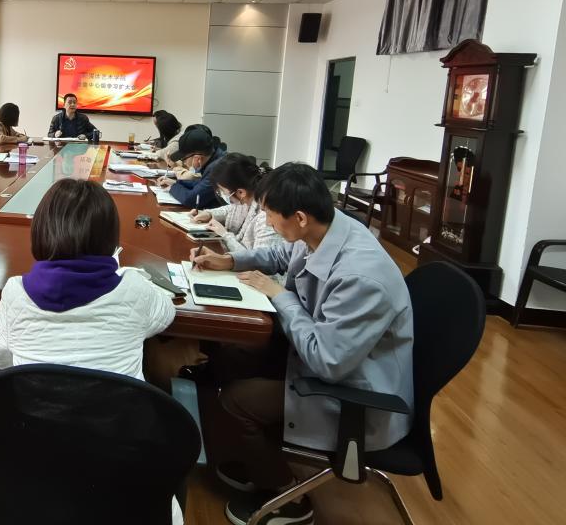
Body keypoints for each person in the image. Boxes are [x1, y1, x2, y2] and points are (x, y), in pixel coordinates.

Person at [191, 163, 413, 525]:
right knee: (233, 359)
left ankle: (287, 494)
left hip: (356, 394)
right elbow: (281, 256)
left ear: (299, 217)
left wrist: (280, 295)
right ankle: (259, 458)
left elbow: (328, 361)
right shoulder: (326, 229)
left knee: (238, 400)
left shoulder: (362, 277)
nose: (266, 221)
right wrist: (228, 260)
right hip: (324, 358)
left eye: (269, 214)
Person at [0, 178, 181, 523]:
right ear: (110, 239)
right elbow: (165, 315)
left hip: (37, 459)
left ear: (41, 232)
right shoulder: (133, 290)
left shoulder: (16, 292)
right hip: (122, 461)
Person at [190, 154, 282, 253]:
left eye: (222, 190)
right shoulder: (247, 199)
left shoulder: (266, 216)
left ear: (241, 192)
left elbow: (257, 259)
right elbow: (230, 209)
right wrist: (209, 214)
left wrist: (225, 235)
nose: (221, 194)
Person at [154, 126, 227, 210]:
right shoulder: (214, 157)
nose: (184, 162)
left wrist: (172, 188)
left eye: (184, 159)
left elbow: (192, 199)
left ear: (197, 158)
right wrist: (175, 182)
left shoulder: (218, 169)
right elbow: (199, 184)